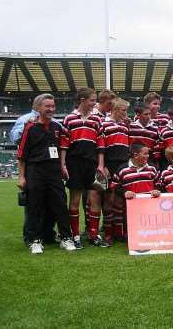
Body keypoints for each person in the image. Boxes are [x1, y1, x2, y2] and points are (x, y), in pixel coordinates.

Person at [17, 93, 75, 254]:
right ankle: (35, 240)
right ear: (38, 108)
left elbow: (64, 145)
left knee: (60, 205)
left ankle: (66, 238)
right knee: (35, 206)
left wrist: (62, 166)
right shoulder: (30, 127)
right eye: (47, 106)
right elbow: (21, 155)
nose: (50, 109)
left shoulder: (57, 127)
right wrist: (21, 177)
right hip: (35, 171)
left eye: (52, 106)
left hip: (54, 171)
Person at [61, 87, 108, 248]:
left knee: (95, 198)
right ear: (82, 100)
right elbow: (64, 145)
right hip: (74, 164)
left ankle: (93, 235)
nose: (94, 103)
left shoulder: (97, 120)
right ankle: (75, 236)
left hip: (93, 164)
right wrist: (63, 165)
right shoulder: (69, 119)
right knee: (75, 199)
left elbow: (101, 143)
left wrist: (101, 165)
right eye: (92, 100)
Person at [101, 98, 131, 244]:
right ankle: (107, 234)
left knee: (120, 200)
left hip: (123, 166)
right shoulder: (104, 124)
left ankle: (119, 233)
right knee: (108, 200)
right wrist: (104, 165)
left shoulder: (125, 126)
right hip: (109, 165)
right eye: (123, 111)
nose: (126, 114)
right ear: (114, 110)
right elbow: (101, 147)